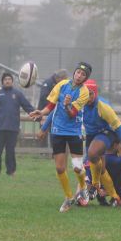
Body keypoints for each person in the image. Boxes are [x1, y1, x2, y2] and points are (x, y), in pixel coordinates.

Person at [29, 62, 91, 212]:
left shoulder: (84, 92)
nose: (79, 76)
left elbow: (72, 113)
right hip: (57, 131)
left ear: (85, 78)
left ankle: (83, 186)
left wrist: (68, 104)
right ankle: (69, 197)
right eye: (78, 72)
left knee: (77, 167)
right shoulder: (62, 84)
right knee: (59, 168)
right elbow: (51, 106)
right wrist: (42, 113)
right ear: (74, 73)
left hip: (74, 132)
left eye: (83, 75)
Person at [82, 78, 121, 206]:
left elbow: (119, 128)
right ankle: (114, 197)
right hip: (91, 135)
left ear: (95, 93)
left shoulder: (103, 106)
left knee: (92, 154)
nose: (87, 97)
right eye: (84, 93)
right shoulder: (79, 104)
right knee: (100, 168)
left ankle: (95, 186)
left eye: (90, 93)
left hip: (107, 133)